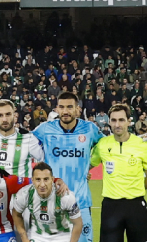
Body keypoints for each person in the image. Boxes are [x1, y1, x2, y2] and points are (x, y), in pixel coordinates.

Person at [32, 93, 102, 242]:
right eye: (62, 107)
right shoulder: (45, 129)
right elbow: (23, 141)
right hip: (52, 202)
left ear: (77, 109)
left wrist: (88, 167)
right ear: (56, 109)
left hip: (81, 202)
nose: (65, 111)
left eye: (70, 107)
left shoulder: (89, 129)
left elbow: (108, 145)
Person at [90, 105, 147, 242]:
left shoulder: (142, 145)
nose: (117, 124)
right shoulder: (102, 144)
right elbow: (88, 166)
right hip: (111, 206)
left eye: (121, 120)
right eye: (113, 120)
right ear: (109, 122)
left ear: (129, 121)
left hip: (136, 206)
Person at [9, 163, 83, 242]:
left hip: (62, 235)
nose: (42, 184)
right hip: (37, 235)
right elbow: (16, 214)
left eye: (46, 179)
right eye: (38, 179)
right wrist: (24, 238)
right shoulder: (25, 194)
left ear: (52, 179)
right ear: (32, 180)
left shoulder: (65, 196)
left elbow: (78, 224)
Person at [0, 100, 45, 178]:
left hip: (20, 189)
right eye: (0, 115)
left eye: (8, 114)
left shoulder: (28, 138)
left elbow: (44, 162)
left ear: (14, 116)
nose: (4, 119)